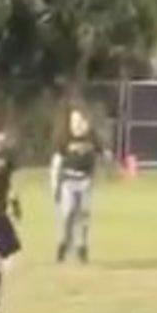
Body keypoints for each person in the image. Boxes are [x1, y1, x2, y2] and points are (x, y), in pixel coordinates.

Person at [50, 107, 113, 263]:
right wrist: (54, 184)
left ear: (86, 122)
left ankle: (81, 246)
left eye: (80, 121)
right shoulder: (65, 139)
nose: (76, 125)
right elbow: (56, 162)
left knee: (83, 215)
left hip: (85, 181)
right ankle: (63, 242)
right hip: (68, 181)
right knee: (67, 213)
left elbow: (104, 154)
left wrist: (108, 160)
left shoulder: (92, 138)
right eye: (73, 121)